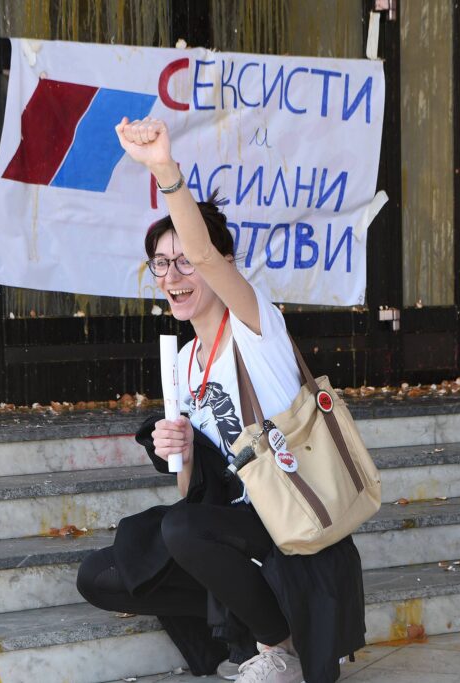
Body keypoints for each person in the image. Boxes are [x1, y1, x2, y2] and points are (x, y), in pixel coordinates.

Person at [76, 117, 366, 683]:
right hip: (231, 527)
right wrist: (180, 449)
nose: (173, 275)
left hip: (290, 524)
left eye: (186, 260)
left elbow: (207, 256)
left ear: (223, 265)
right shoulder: (185, 363)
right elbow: (192, 493)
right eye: (162, 263)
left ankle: (283, 646)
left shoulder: (257, 328)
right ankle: (248, 622)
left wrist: (164, 169)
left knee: (182, 530)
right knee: (104, 573)